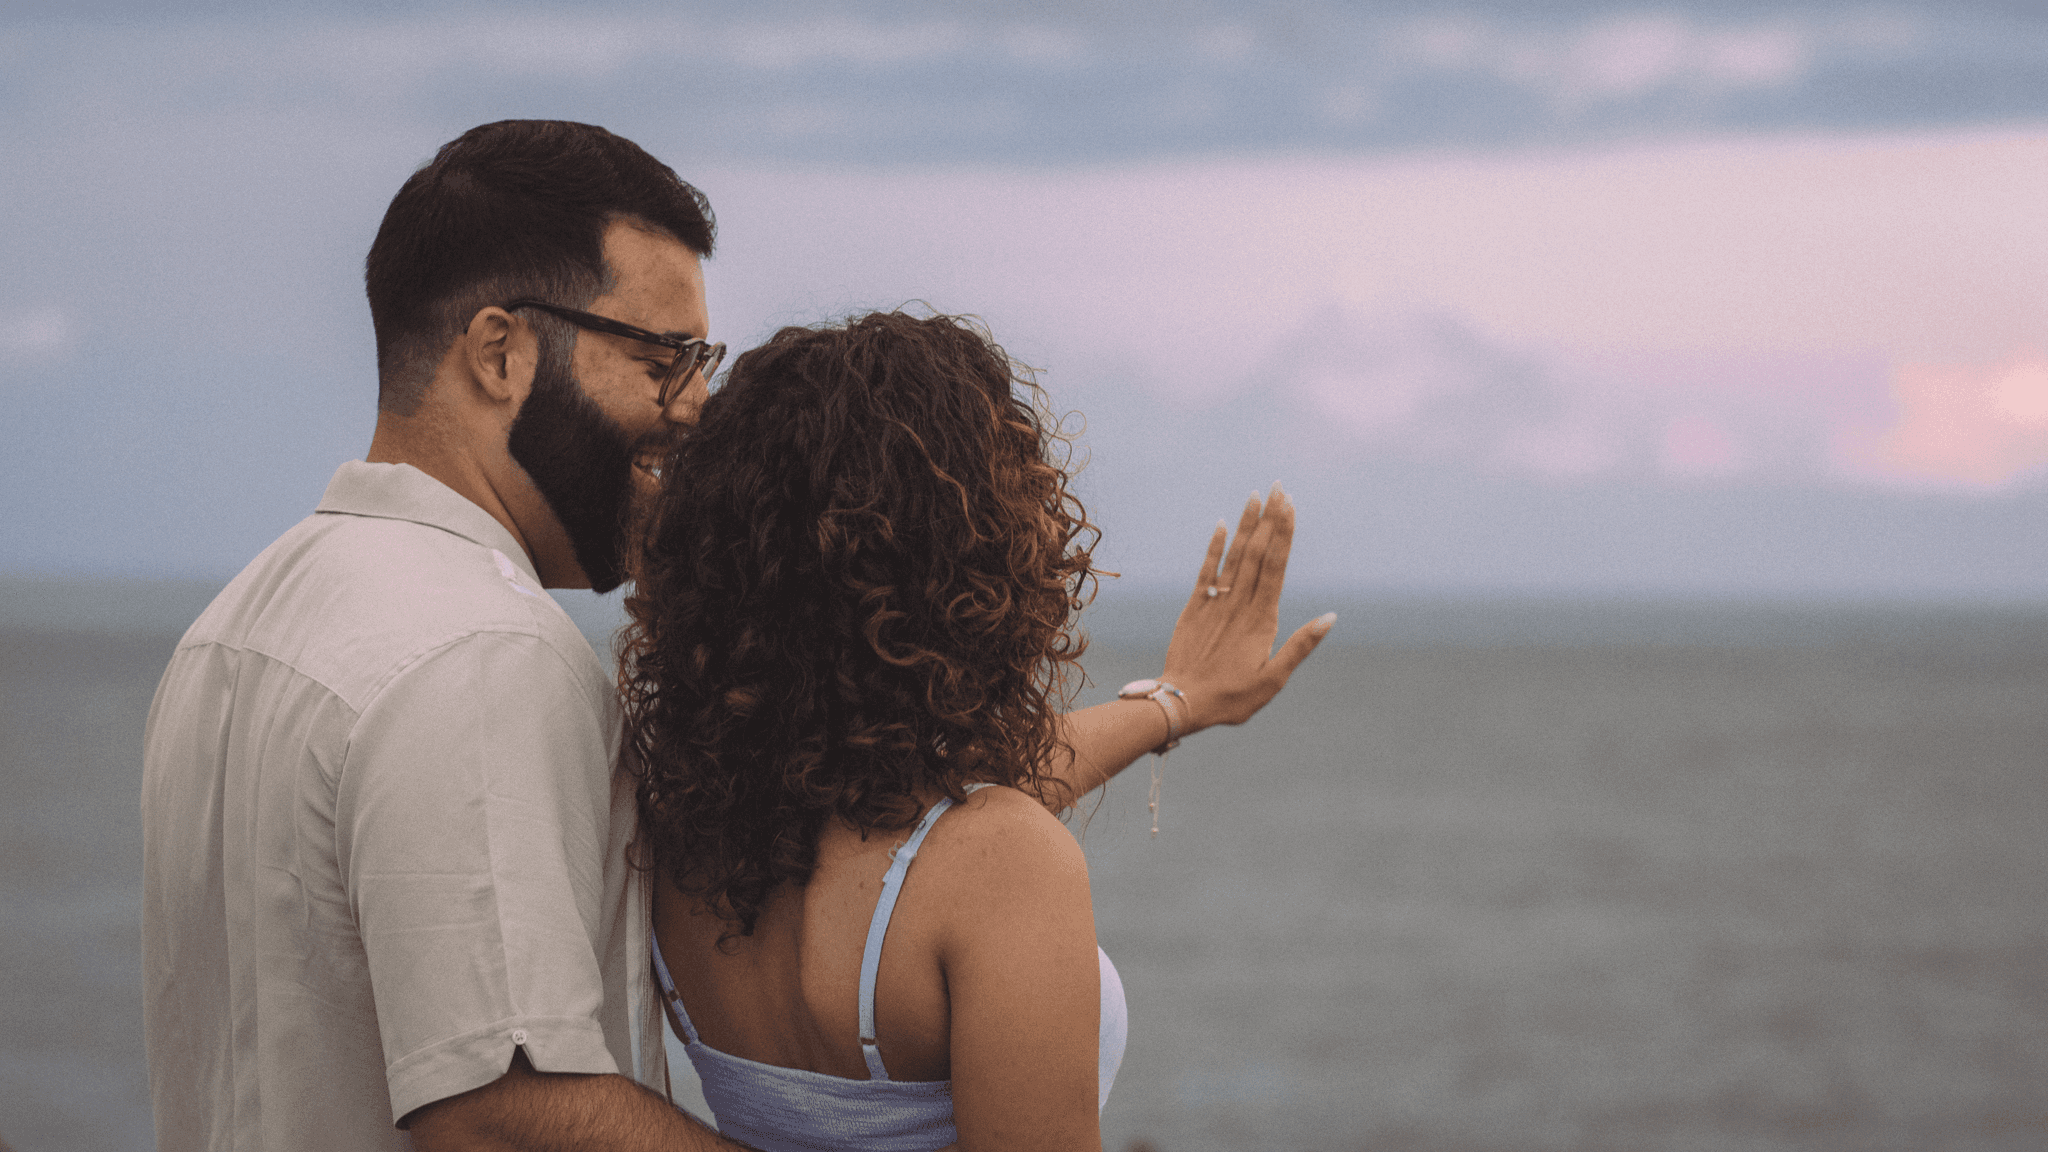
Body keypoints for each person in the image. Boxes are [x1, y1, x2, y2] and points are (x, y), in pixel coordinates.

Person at [141, 120, 749, 1151]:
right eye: (662, 358)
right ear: (500, 353)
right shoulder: (482, 650)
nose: (693, 406)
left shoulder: (229, 631)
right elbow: (499, 1113)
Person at [619, 311, 1334, 1151]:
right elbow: (962, 843)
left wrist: (1175, 704)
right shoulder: (1003, 864)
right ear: (966, 563)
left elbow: (929, 825)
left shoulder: (684, 831)